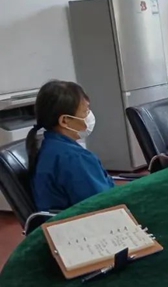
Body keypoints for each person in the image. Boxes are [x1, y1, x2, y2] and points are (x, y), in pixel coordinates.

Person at [27, 80, 114, 212]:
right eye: (85, 111)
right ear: (64, 120)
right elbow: (102, 204)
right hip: (83, 221)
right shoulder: (73, 158)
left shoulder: (51, 146)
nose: (89, 116)